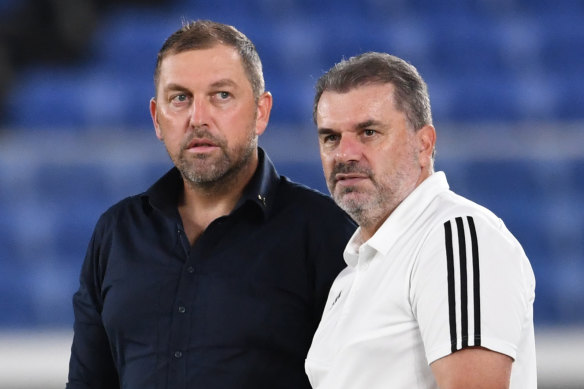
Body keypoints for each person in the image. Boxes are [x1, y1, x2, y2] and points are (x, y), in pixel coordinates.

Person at [66, 20, 355, 389]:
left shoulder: (325, 233)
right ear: (157, 118)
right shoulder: (117, 232)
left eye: (221, 95)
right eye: (180, 98)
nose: (198, 118)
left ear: (261, 112)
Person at [305, 52, 536, 388]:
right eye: (331, 138)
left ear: (423, 144)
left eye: (368, 132)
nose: (344, 154)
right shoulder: (351, 275)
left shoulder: (452, 236)